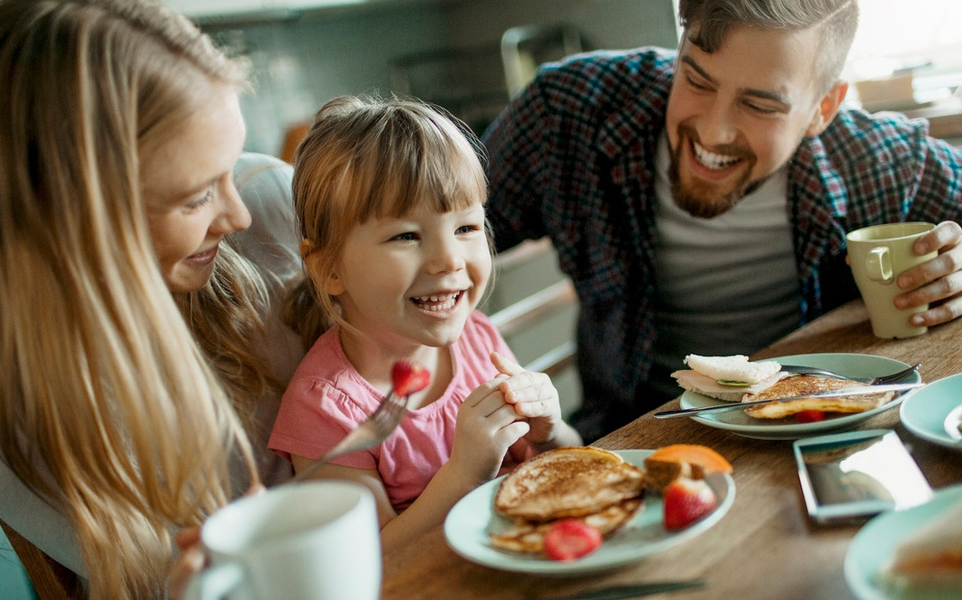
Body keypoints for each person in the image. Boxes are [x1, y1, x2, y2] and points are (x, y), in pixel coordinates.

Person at [481, 0, 962, 443]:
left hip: (823, 429)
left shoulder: (885, 163)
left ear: (823, 109)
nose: (713, 130)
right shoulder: (568, 111)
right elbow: (434, 224)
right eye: (696, 80)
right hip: (631, 435)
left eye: (760, 105)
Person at [0, 1, 304, 598]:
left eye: (228, 168)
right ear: (65, 220)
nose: (238, 213)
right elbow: (150, 579)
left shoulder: (272, 204)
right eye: (196, 197)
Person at [268, 96, 582, 550]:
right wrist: (463, 473)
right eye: (406, 236)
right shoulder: (327, 410)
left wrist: (551, 432)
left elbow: (557, 465)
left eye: (466, 228)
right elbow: (371, 561)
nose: (449, 260)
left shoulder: (477, 338)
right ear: (329, 269)